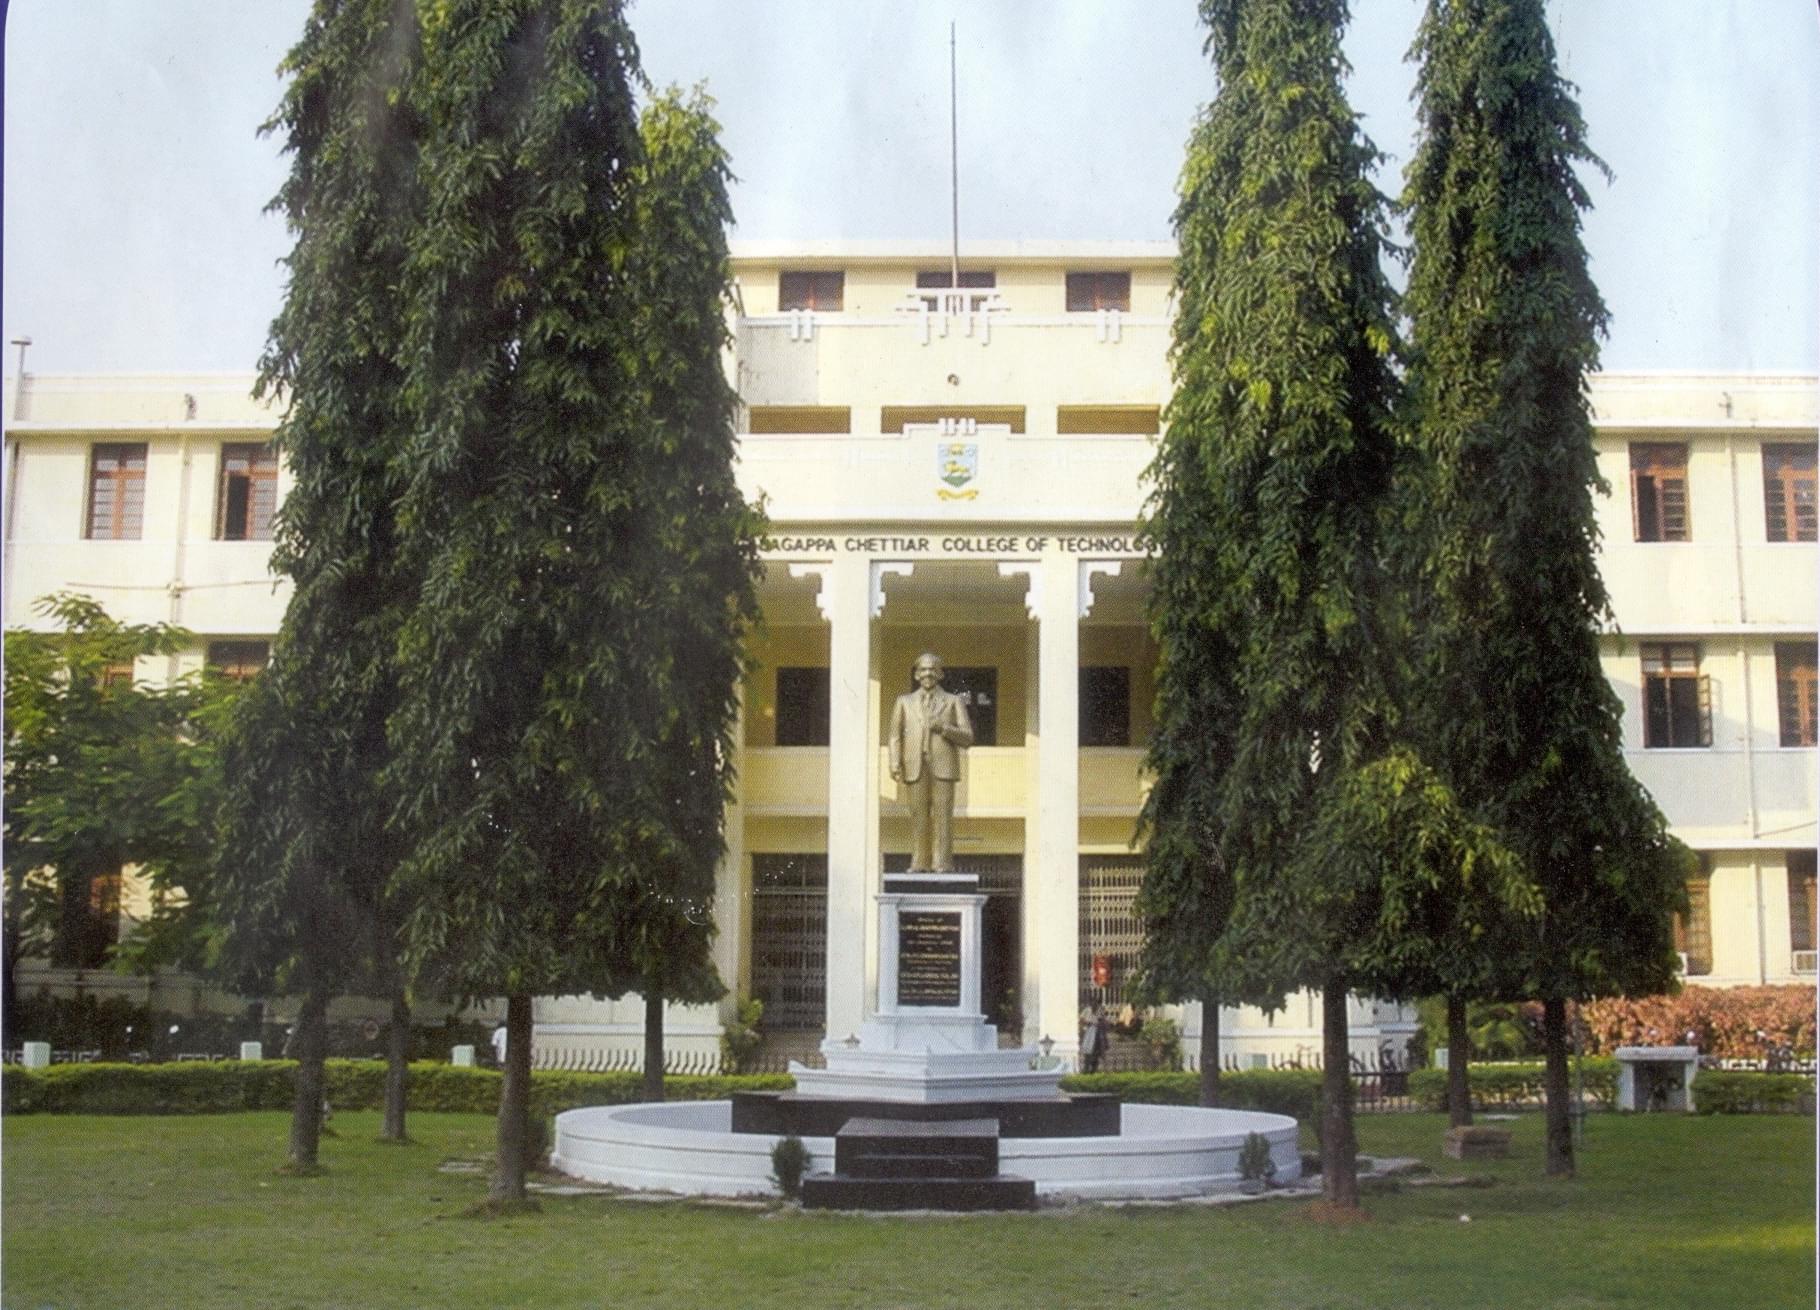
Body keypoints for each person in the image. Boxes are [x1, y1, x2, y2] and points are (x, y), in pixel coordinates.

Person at [887, 652, 974, 871]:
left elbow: (967, 737)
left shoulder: (953, 702)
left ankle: (943, 863)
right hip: (914, 766)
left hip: (943, 767)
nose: (928, 674)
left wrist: (944, 728)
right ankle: (919, 863)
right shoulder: (904, 702)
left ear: (940, 674)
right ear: (916, 675)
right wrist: (894, 762)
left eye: (933, 669)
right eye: (923, 670)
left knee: (944, 816)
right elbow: (895, 735)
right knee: (918, 817)